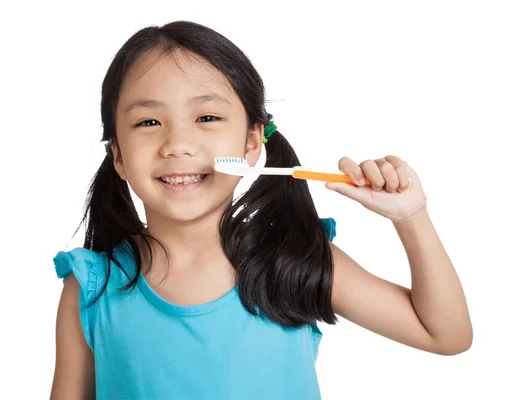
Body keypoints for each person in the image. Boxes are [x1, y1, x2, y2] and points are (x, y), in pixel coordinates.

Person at [50, 20, 472, 400]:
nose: (177, 143)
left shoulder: (291, 259)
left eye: (207, 117)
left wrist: (411, 219)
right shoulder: (92, 287)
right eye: (148, 122)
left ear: (252, 144)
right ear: (118, 155)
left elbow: (445, 334)